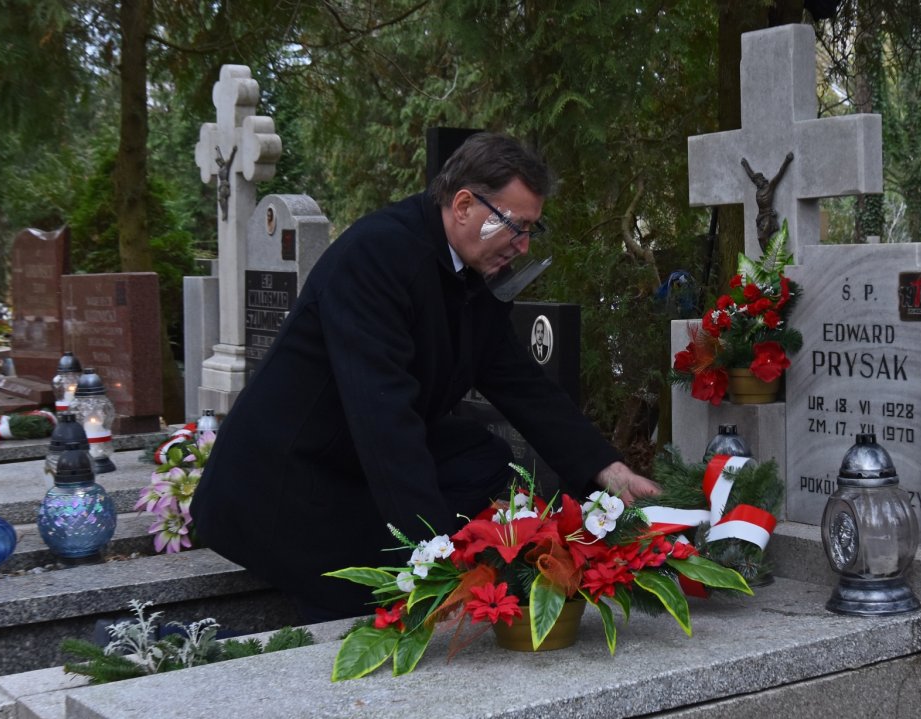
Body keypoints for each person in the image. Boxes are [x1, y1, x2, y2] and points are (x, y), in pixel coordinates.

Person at [192, 133, 658, 621]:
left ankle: (413, 561)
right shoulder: (377, 255)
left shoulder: (468, 270)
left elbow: (523, 384)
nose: (522, 246)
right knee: (351, 591)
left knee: (483, 459)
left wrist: (610, 471)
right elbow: (383, 417)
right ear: (464, 206)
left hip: (348, 454)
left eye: (531, 230)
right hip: (283, 479)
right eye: (515, 227)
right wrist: (436, 559)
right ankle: (363, 593)